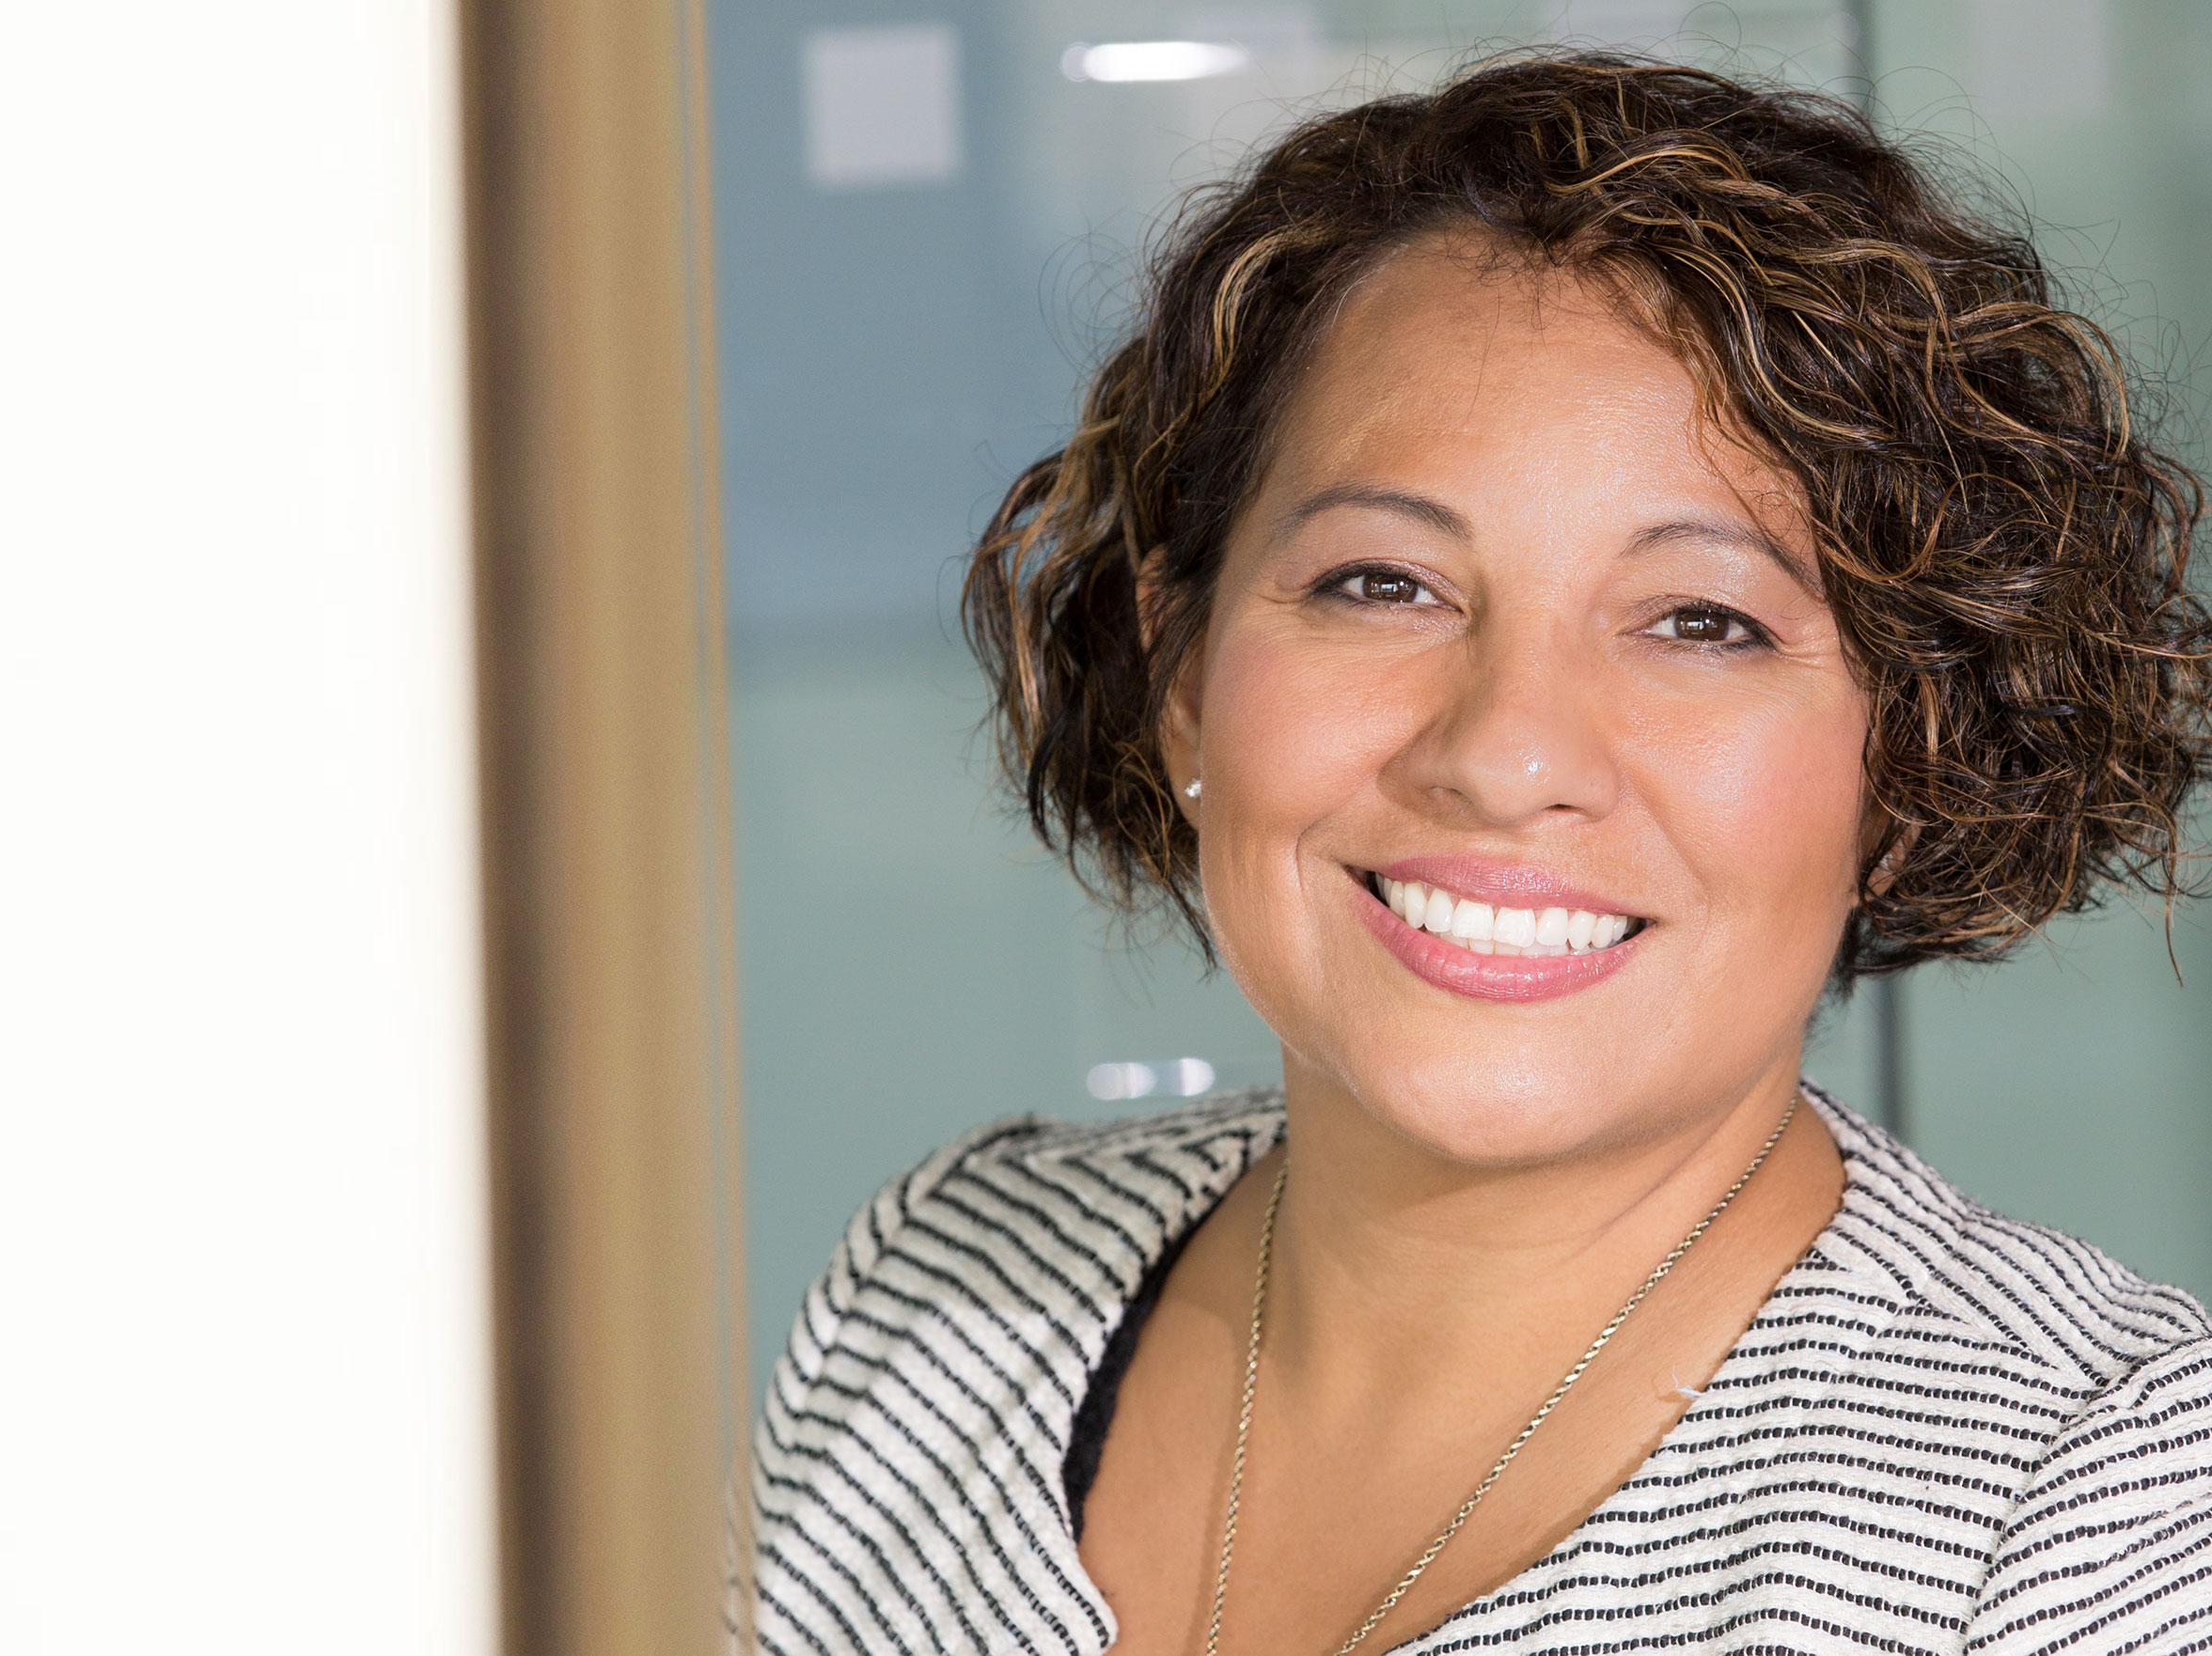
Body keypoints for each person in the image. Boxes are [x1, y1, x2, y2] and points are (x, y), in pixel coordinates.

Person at [750, 55, 2212, 1655]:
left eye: (1701, 621)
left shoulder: (2098, 1510)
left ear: (1910, 766)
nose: (1508, 751)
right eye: (1384, 583)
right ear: (1181, 675)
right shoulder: (943, 1293)